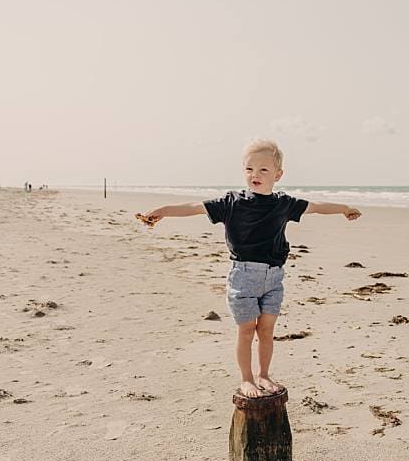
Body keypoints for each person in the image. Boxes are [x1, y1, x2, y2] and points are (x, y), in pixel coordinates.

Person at [138, 139, 363, 398]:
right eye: (249, 169)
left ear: (278, 175)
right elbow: (193, 208)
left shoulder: (284, 203)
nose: (255, 175)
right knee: (246, 331)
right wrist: (163, 211)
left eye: (263, 170)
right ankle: (246, 379)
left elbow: (316, 207)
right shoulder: (231, 202)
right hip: (243, 277)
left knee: (266, 330)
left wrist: (344, 209)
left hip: (274, 278)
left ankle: (263, 375)